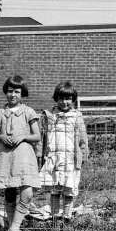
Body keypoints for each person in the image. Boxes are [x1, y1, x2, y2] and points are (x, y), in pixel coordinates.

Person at [0, 75, 41, 231]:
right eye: (10, 91)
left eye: (16, 91)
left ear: (22, 93)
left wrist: (23, 136)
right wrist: (1, 136)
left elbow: (37, 135)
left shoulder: (28, 112)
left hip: (24, 157)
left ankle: (14, 227)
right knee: (9, 192)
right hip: (5, 157)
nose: (13, 95)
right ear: (6, 92)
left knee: (27, 193)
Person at [39, 81, 89, 222]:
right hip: (53, 158)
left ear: (73, 100)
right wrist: (41, 155)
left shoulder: (77, 116)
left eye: (68, 99)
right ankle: (54, 218)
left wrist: (83, 155)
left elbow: (83, 139)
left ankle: (67, 218)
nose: (64, 102)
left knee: (68, 190)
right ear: (56, 99)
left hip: (70, 159)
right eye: (61, 98)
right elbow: (42, 138)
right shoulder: (49, 116)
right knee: (55, 190)